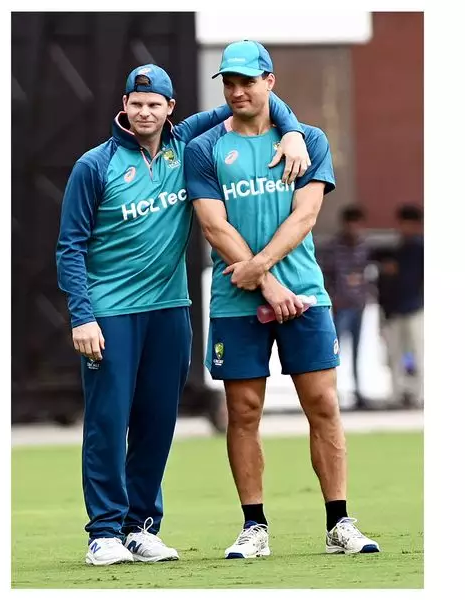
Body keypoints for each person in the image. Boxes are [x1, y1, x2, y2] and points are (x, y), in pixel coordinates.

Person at [56, 63, 311, 566]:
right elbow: (70, 247)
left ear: (171, 109)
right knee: (108, 421)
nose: (144, 111)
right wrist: (81, 316)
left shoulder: (188, 142)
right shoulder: (95, 164)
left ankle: (141, 526)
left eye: (155, 104)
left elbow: (252, 102)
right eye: (136, 102)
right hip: (110, 313)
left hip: (171, 310)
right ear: (124, 106)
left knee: (157, 422)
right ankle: (104, 531)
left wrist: (296, 132)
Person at [184, 40, 380, 559]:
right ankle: (254, 527)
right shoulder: (205, 148)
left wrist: (264, 266)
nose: (237, 91)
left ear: (270, 81)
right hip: (237, 299)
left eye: (247, 81)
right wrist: (266, 282)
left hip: (306, 295)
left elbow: (306, 216)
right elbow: (212, 223)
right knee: (243, 411)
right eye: (229, 82)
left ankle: (339, 522)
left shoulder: (308, 139)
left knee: (324, 405)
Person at [320, 206, 375, 410]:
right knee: (335, 352)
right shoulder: (333, 247)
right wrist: (333, 298)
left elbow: (368, 275)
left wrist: (367, 295)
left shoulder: (364, 246)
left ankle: (357, 391)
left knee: (358, 351)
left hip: (358, 305)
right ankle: (334, 392)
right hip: (340, 306)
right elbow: (326, 275)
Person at [379, 204, 424, 408]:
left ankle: (420, 393)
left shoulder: (420, 248)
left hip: (415, 307)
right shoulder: (397, 249)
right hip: (395, 309)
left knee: (418, 352)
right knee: (395, 354)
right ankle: (398, 392)